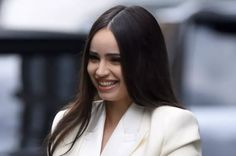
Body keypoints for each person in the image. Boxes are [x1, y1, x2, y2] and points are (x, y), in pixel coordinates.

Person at [46, 5, 201, 156]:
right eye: (94, 58)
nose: (101, 71)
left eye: (115, 60)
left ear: (145, 62)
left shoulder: (173, 124)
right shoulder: (67, 122)